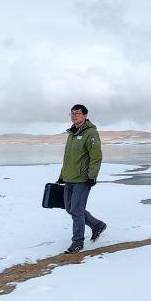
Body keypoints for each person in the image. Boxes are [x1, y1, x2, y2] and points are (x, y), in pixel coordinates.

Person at [56, 104, 107, 253]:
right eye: (72, 113)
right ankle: (97, 225)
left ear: (85, 115)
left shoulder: (90, 133)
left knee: (77, 211)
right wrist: (62, 176)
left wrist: (92, 176)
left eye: (77, 113)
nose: (74, 116)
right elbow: (68, 158)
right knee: (69, 208)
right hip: (69, 178)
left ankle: (77, 242)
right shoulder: (72, 133)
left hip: (83, 179)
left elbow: (96, 157)